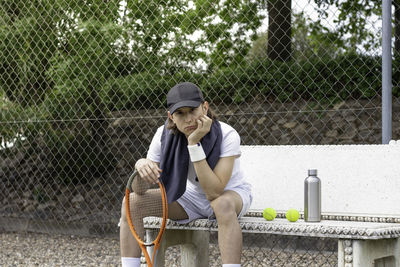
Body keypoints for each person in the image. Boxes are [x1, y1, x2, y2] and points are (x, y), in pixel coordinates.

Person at [119, 82, 252, 267]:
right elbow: (139, 189)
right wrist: (140, 166)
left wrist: (194, 144)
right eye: (180, 113)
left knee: (221, 204)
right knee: (131, 202)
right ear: (171, 117)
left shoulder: (228, 134)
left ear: (205, 107)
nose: (188, 118)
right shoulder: (162, 135)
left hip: (229, 195)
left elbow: (214, 192)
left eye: (193, 110)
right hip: (189, 198)